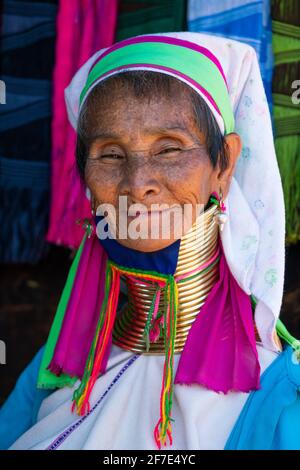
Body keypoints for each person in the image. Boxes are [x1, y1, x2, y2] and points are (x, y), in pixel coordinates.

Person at [1, 31, 300, 451]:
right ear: (84, 174)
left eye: (169, 150)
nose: (138, 184)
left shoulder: (281, 396)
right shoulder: (55, 371)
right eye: (110, 154)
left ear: (225, 163)